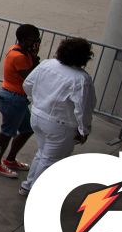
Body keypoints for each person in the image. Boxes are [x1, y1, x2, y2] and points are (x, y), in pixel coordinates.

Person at [19, 38, 98, 196]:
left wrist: (35, 101)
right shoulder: (81, 79)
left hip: (37, 115)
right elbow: (83, 109)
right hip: (60, 125)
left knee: (42, 153)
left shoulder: (47, 64)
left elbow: (27, 84)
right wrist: (84, 130)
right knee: (50, 160)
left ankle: (28, 186)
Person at [0, 24, 42, 179]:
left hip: (19, 98)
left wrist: (33, 55)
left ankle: (10, 158)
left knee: (27, 129)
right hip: (12, 98)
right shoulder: (18, 55)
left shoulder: (24, 52)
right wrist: (34, 57)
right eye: (34, 40)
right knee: (7, 132)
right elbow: (32, 77)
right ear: (25, 40)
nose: (37, 43)